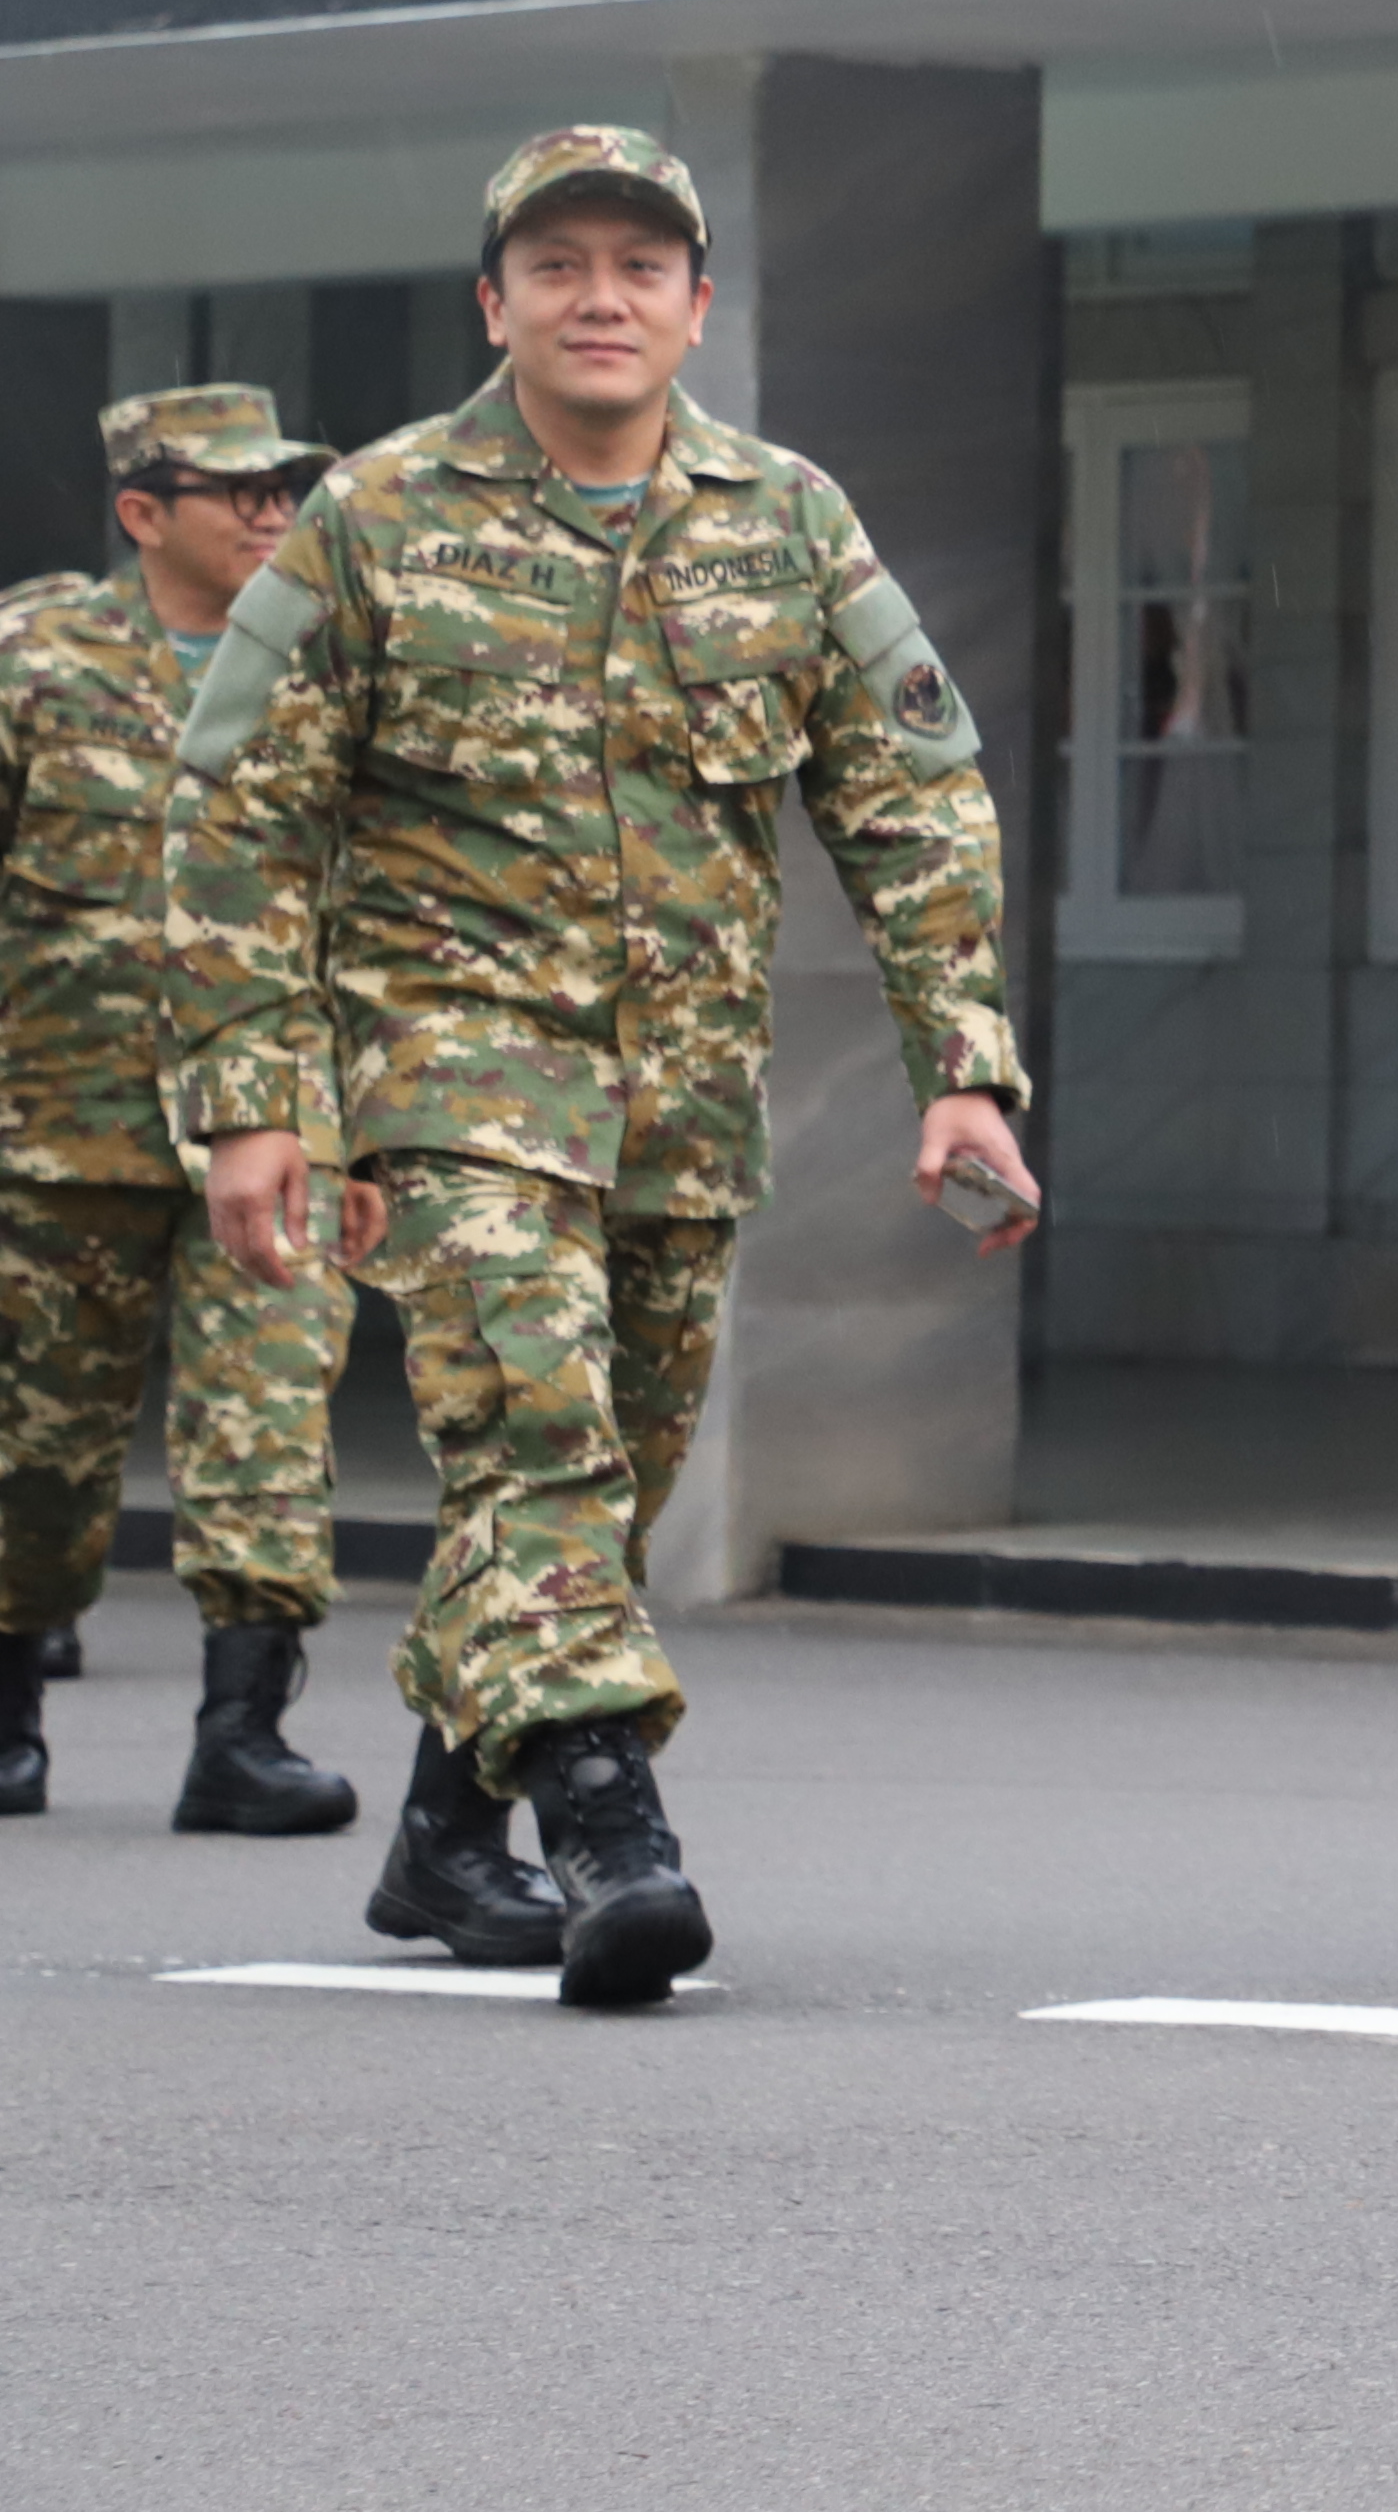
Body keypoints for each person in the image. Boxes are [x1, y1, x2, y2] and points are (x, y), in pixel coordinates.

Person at [162, 130, 1038, 2011]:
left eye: (641, 267)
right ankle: (609, 1822)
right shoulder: (373, 519)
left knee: (591, 1479)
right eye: (557, 265)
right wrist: (248, 1099)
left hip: (680, 1110)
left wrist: (963, 1066)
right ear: (496, 303)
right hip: (450, 1088)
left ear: (697, 305)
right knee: (535, 1427)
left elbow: (913, 799)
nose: (600, 297)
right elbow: (239, 817)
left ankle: (440, 1839)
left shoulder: (787, 521)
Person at [0, 389, 363, 1835]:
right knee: (33, 1442)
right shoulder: (35, 659)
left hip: (276, 1117)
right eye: (239, 493)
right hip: (57, 1122)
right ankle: (11, 1723)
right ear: (143, 513)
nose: (275, 513)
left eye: (288, 488)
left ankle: (242, 1736)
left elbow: (388, 906)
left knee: (267, 1429)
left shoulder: (336, 657)